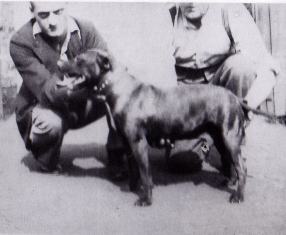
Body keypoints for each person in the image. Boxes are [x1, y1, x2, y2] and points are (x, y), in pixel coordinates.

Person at [10, 2, 126, 180]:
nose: (53, 21)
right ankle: (45, 157)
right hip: (46, 107)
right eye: (44, 15)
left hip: (79, 101)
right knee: (51, 123)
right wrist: (92, 86)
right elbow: (48, 92)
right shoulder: (21, 42)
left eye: (57, 12)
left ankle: (117, 151)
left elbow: (110, 70)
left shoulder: (86, 30)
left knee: (118, 90)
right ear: (32, 12)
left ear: (66, 4)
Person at [167, 3, 280, 170]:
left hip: (220, 89)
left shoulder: (230, 9)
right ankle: (207, 144)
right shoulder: (168, 16)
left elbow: (267, 66)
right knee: (183, 162)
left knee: (241, 66)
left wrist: (248, 104)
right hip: (185, 96)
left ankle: (232, 144)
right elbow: (157, 70)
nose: (191, 2)